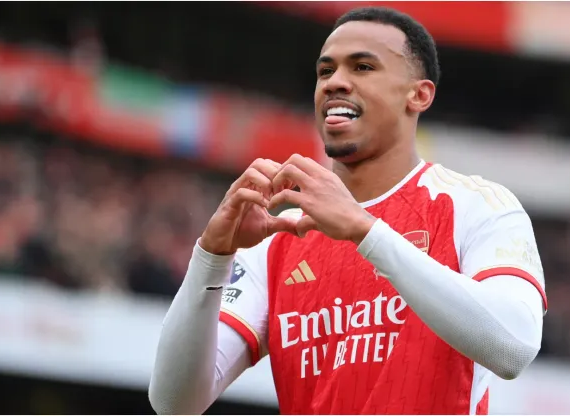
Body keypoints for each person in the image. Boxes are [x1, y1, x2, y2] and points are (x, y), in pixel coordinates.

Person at [149, 6, 547, 415]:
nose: (335, 82)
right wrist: (212, 255)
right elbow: (174, 403)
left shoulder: (476, 205)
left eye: (362, 67)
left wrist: (364, 231)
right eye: (325, 71)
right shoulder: (279, 235)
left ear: (419, 94)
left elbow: (513, 347)